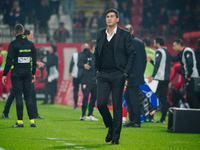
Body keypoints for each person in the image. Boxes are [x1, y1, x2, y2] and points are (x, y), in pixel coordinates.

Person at [95, 8, 135, 145]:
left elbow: (132, 54)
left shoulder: (125, 34)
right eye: (107, 16)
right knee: (100, 104)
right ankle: (111, 126)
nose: (109, 18)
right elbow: (97, 54)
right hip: (103, 74)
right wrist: (96, 70)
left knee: (117, 106)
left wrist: (125, 73)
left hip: (118, 74)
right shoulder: (100, 34)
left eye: (112, 16)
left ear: (117, 19)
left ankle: (116, 137)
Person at [2, 29, 44, 119]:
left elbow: (25, 58)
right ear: (26, 35)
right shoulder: (26, 44)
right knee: (29, 94)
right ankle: (33, 116)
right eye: (31, 35)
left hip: (18, 72)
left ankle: (6, 112)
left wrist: (36, 63)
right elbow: (21, 58)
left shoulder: (22, 45)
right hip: (23, 73)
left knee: (16, 94)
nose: (32, 37)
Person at [123, 24, 146, 128]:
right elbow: (144, 60)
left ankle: (136, 121)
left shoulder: (125, 43)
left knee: (133, 98)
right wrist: (141, 72)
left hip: (131, 75)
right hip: (137, 74)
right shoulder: (140, 42)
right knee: (128, 96)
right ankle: (133, 120)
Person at [148, 37, 171, 123]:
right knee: (163, 99)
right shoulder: (167, 52)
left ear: (158, 43)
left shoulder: (159, 52)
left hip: (158, 79)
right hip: (166, 79)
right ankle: (163, 119)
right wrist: (151, 61)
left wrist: (153, 76)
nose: (154, 45)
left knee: (153, 97)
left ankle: (150, 117)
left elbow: (157, 65)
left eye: (154, 43)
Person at [172, 39, 199, 108]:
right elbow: (174, 59)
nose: (173, 48)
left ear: (179, 45)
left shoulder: (187, 51)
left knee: (192, 97)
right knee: (189, 98)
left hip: (192, 78)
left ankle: (195, 115)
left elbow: (190, 63)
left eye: (174, 46)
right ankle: (193, 114)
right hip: (189, 78)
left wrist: (189, 76)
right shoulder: (182, 52)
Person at [77, 40, 99, 121]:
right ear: (93, 47)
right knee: (85, 97)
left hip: (95, 80)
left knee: (94, 97)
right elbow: (78, 64)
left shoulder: (97, 56)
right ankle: (83, 115)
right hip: (86, 80)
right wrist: (84, 65)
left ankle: (90, 114)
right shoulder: (85, 55)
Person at [69, 43, 90, 109]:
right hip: (76, 75)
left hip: (84, 75)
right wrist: (70, 74)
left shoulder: (89, 56)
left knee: (84, 91)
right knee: (76, 90)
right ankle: (76, 105)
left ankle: (84, 105)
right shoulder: (76, 55)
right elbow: (71, 64)